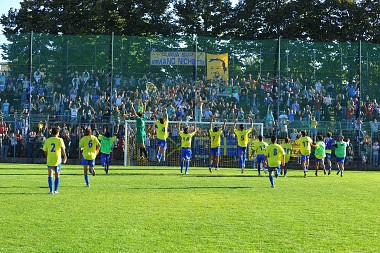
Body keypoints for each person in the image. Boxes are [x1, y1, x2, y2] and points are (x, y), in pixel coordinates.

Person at [42, 127, 67, 194]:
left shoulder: (48, 140)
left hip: (50, 159)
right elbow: (62, 149)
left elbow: (45, 150)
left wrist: (48, 155)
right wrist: (65, 157)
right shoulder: (60, 140)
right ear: (58, 133)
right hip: (57, 159)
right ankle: (56, 190)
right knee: (57, 175)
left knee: (50, 175)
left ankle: (50, 190)